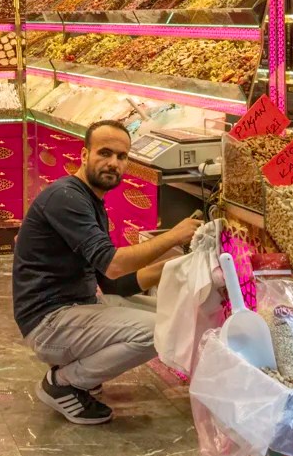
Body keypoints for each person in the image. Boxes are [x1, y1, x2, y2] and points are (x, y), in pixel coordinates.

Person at [12, 120, 202, 425]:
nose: (114, 163)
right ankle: (63, 383)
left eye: (121, 156)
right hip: (48, 321)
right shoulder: (66, 198)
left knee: (172, 317)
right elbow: (114, 264)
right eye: (105, 153)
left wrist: (180, 264)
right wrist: (174, 236)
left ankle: (79, 370)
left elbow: (114, 283)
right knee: (158, 330)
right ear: (84, 154)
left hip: (77, 306)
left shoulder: (89, 200)